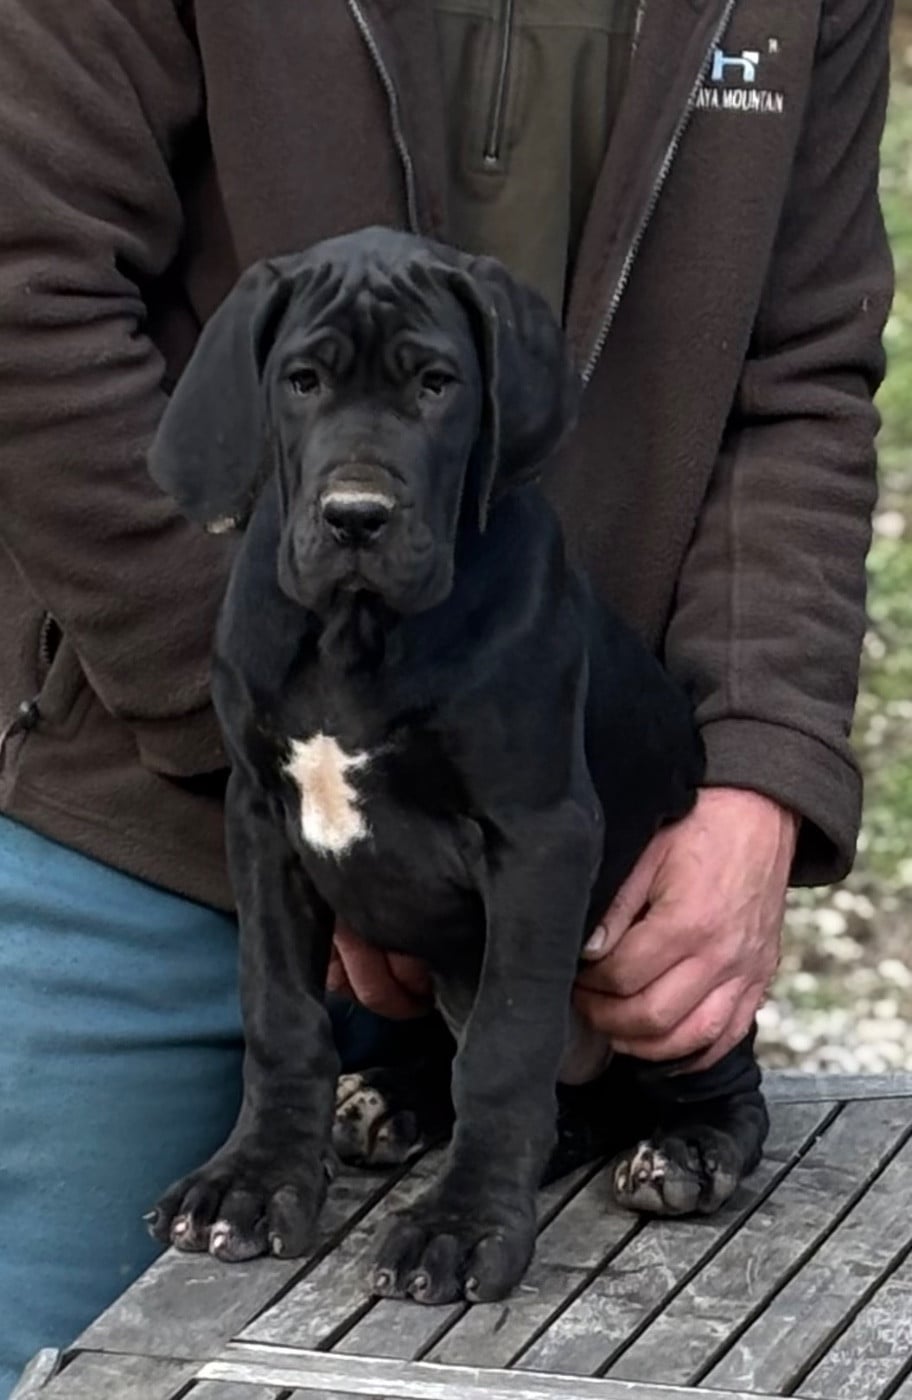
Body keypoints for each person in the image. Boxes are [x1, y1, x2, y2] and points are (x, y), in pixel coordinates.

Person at [0, 0, 893, 1392]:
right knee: (78, 1365)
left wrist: (758, 770)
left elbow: (800, 372)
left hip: (572, 839)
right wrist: (279, 725)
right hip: (153, 826)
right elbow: (26, 285)